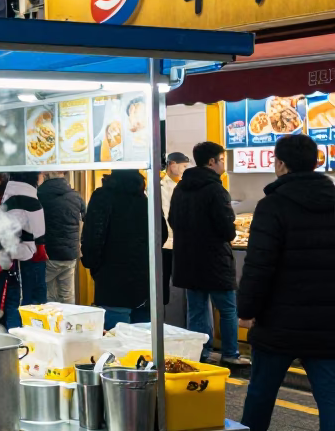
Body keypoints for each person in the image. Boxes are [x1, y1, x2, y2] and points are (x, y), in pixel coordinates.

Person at [215, 135, 335, 431]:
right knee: (329, 393)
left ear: (280, 164)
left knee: (264, 384)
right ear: (316, 161)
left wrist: (247, 308)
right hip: (327, 318)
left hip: (279, 316)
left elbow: (259, 265)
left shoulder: (274, 204)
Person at [169, 141, 249, 365]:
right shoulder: (216, 189)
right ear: (212, 161)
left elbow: (172, 220)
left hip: (188, 259)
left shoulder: (180, 188)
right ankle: (231, 354)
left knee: (197, 310)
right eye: (222, 159)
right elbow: (227, 230)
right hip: (214, 260)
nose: (223, 163)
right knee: (227, 309)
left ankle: (201, 354)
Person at [80, 170, 166, 329]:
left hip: (111, 280)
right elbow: (162, 234)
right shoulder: (145, 199)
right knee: (142, 342)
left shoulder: (102, 197)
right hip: (143, 281)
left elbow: (92, 237)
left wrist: (93, 265)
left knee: (117, 340)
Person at [38, 171, 86, 304]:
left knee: (48, 295)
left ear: (46, 174)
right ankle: (69, 323)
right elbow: (88, 219)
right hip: (70, 254)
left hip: (48, 254)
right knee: (67, 295)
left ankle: (50, 323)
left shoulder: (39, 195)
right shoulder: (75, 196)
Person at [4, 172, 48, 309]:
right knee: (33, 303)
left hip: (9, 257)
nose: (43, 175)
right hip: (28, 257)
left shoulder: (8, 194)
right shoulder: (29, 198)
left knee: (13, 300)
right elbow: (38, 232)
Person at [160, 152, 191, 304]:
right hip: (165, 244)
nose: (185, 170)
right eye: (183, 166)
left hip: (178, 242)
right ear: (172, 165)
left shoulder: (181, 187)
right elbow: (165, 215)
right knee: (163, 282)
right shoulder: (159, 186)